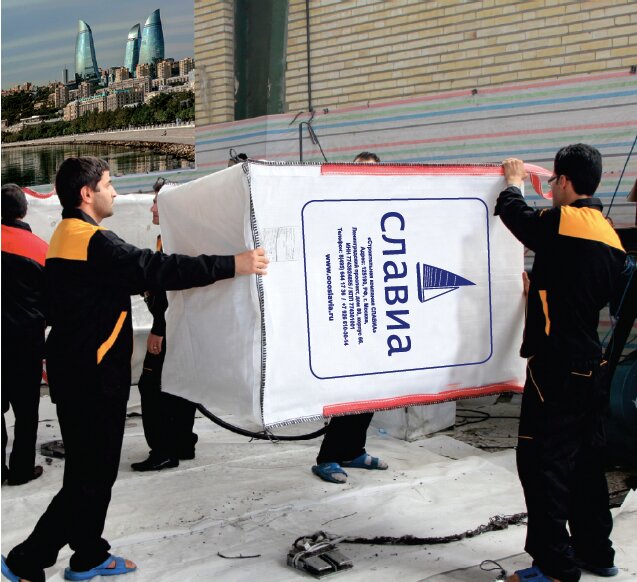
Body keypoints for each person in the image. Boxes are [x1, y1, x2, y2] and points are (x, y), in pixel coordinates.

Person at [1, 157, 269, 582]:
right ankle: (26, 560)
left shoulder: (65, 234)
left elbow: (108, 282)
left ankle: (88, 554)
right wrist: (233, 264)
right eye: (108, 184)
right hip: (92, 378)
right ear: (86, 193)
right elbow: (158, 268)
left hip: (75, 371)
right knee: (90, 476)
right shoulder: (94, 242)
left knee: (90, 471)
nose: (114, 192)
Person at [496, 145, 625, 582]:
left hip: (556, 367)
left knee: (542, 463)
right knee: (586, 462)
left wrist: (513, 183)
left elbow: (516, 217)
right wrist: (539, 290)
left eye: (551, 181)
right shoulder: (608, 234)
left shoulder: (563, 221)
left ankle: (553, 567)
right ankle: (596, 551)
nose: (550, 188)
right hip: (589, 364)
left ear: (565, 181)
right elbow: (578, 286)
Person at [311, 151, 388, 484]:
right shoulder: (334, 210)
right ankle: (328, 457)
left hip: (378, 317)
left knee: (372, 389)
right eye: (359, 170)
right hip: (346, 319)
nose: (365, 177)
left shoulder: (383, 212)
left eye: (372, 171)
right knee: (350, 390)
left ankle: (354, 450)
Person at [131, 177, 198, 471]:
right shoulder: (177, 237)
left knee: (151, 386)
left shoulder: (174, 241)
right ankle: (183, 443)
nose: (152, 209)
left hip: (171, 326)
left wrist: (158, 328)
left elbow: (173, 289)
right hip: (183, 327)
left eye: (156, 202)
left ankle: (163, 450)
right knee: (181, 385)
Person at [1, 184, 48, 487]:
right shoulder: (40, 248)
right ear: (25, 210)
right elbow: (53, 301)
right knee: (27, 410)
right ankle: (21, 470)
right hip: (26, 343)